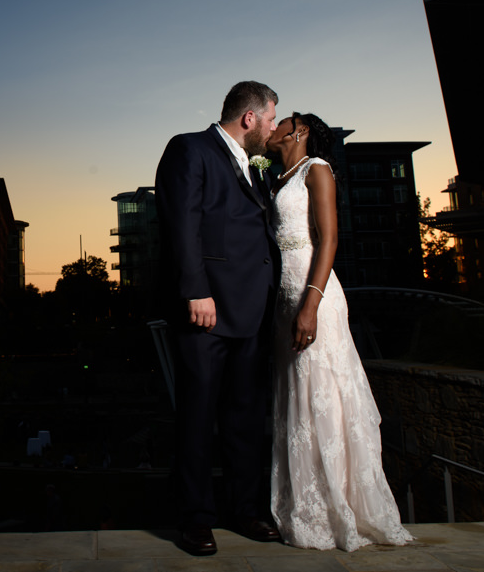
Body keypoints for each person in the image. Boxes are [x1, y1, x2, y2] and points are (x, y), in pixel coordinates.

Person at [265, 112, 413, 551]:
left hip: (315, 296)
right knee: (296, 398)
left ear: (300, 131)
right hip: (283, 298)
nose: (272, 128)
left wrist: (310, 304)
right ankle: (306, 508)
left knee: (323, 394)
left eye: (281, 122)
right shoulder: (278, 175)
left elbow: (328, 238)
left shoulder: (318, 170)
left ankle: (340, 511)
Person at [155, 81, 283, 556]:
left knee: (246, 418)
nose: (272, 127)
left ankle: (246, 511)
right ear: (248, 118)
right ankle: (195, 519)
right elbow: (181, 223)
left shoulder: (258, 160)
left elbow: (262, 210)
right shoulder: (189, 148)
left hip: (253, 308)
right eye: (270, 118)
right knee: (197, 417)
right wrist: (195, 290)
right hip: (205, 309)